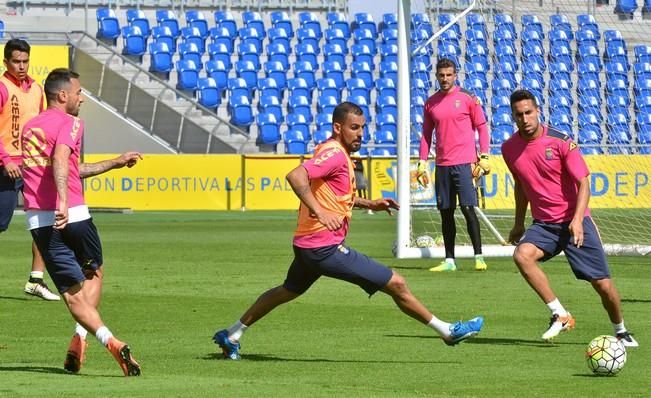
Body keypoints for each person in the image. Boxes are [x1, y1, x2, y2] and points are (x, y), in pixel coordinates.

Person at [212, 102, 484, 360]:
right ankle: (447, 332)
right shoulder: (334, 154)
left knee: (287, 290)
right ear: (337, 128)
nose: (360, 133)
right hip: (323, 246)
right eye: (354, 127)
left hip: (308, 243)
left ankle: (232, 334)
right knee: (397, 283)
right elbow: (296, 177)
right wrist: (320, 212)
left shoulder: (335, 153)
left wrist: (369, 203)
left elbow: (335, 195)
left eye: (363, 127)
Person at [21, 68, 143, 375]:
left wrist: (115, 162)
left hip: (39, 221)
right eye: (78, 92)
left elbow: (73, 168)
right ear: (63, 95)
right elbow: (62, 159)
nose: (81, 98)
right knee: (94, 272)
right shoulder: (72, 123)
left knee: (71, 293)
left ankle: (109, 341)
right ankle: (79, 335)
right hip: (72, 213)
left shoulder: (30, 128)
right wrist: (63, 199)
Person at [502, 89, 638, 347]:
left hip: (575, 221)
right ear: (513, 116)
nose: (525, 119)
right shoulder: (509, 148)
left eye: (529, 112)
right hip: (544, 225)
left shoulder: (561, 141)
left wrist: (577, 220)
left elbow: (584, 183)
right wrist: (519, 223)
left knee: (603, 285)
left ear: (537, 111)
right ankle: (560, 314)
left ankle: (620, 330)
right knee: (522, 255)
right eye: (519, 115)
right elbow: (520, 185)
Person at [416, 58, 491, 272]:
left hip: (465, 163)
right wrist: (422, 161)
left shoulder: (468, 98)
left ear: (455, 75)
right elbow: (425, 135)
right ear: (437, 76)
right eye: (441, 75)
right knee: (446, 212)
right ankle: (450, 260)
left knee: (468, 208)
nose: (445, 79)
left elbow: (482, 127)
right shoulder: (431, 103)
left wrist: (484, 155)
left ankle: (478, 256)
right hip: (442, 165)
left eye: (449, 75)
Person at [0, 38, 59, 301]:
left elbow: (44, 125)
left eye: (25, 61)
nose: (21, 66)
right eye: (16, 61)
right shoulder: (1, 87)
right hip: (6, 165)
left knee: (45, 219)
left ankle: (36, 280)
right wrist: (6, 159)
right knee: (1, 224)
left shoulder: (36, 89)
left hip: (32, 164)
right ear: (6, 62)